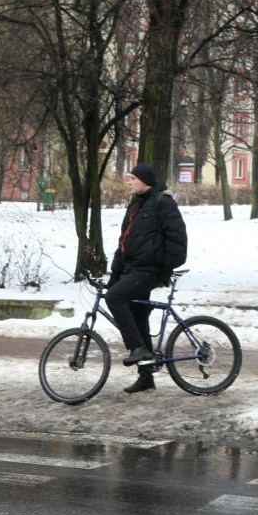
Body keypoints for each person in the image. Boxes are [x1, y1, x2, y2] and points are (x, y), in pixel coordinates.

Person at [104, 163, 187, 394]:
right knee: (138, 320)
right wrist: (115, 273)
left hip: (149, 271)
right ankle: (146, 377)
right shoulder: (135, 205)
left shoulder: (163, 202)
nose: (128, 182)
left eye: (132, 178)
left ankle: (136, 348)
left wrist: (165, 269)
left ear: (145, 180)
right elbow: (124, 242)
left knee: (114, 298)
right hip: (133, 270)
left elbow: (178, 240)